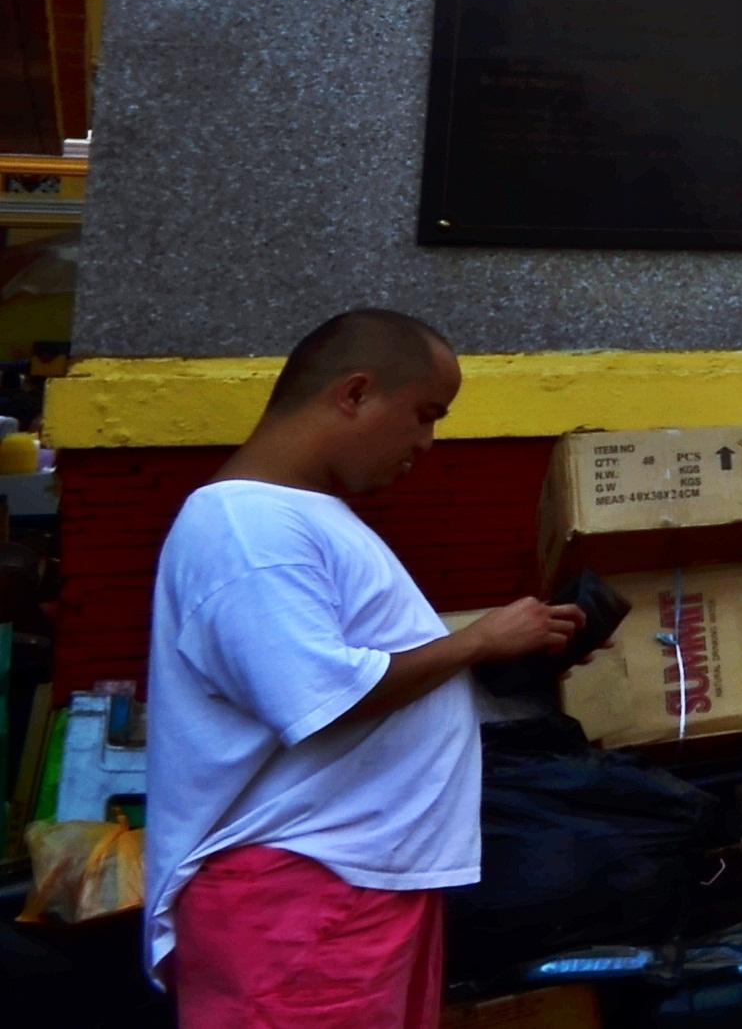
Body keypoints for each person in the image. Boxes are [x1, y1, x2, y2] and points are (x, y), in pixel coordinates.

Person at [144, 309, 585, 1026]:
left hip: (353, 884)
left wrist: (509, 659)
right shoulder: (249, 528)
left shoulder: (300, 517)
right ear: (354, 394)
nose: (426, 443)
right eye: (422, 415)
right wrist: (477, 641)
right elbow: (324, 696)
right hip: (304, 891)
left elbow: (362, 675)